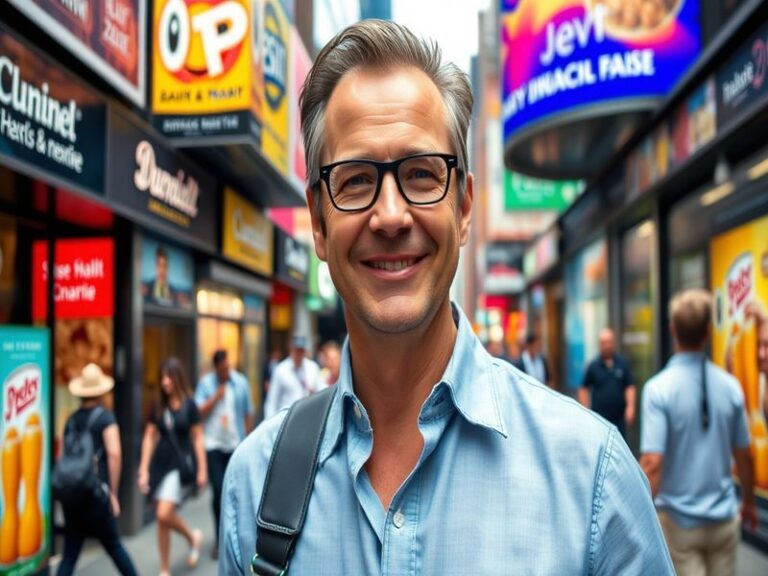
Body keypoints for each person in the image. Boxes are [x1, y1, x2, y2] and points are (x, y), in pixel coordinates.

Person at [220, 19, 672, 574]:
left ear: (462, 208)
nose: (390, 216)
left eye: (421, 174)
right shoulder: (254, 485)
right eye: (357, 179)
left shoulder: (593, 479)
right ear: (317, 219)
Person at [640, 289, 757, 576]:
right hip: (723, 521)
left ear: (672, 330)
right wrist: (750, 504)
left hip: (678, 525)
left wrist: (639, 516)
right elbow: (745, 455)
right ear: (708, 332)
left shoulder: (658, 389)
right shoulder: (730, 386)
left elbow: (653, 463)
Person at [56, 364, 138, 576]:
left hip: (73, 496)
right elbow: (115, 454)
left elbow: (63, 455)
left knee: (69, 555)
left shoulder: (71, 420)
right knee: (114, 546)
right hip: (96, 495)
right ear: (101, 391)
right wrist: (113, 493)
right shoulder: (105, 418)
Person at [138, 358, 207, 576]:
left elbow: (197, 437)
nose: (165, 382)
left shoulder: (190, 405)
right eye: (162, 378)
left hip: (178, 466)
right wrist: (143, 468)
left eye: (168, 377)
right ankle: (165, 568)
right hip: (160, 464)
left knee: (162, 514)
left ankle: (191, 536)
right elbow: (149, 437)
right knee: (162, 521)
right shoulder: (158, 405)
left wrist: (203, 470)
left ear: (178, 378)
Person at [194, 350, 254, 560]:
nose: (226, 372)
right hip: (213, 445)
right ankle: (220, 539)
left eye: (228, 368)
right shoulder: (206, 384)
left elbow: (248, 412)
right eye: (222, 370)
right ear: (216, 369)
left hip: (235, 444)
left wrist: (248, 441)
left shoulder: (240, 382)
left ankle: (237, 533)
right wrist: (215, 398)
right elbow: (198, 412)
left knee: (237, 490)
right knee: (218, 489)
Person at [578, 328, 635, 438]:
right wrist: (585, 411)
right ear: (599, 344)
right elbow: (583, 388)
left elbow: (629, 386)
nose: (607, 345)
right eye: (604, 343)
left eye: (609, 342)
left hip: (619, 419)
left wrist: (631, 407)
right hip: (599, 419)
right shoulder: (593, 366)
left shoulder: (622, 363)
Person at [262, 335, 321, 418]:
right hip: (287, 419)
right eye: (296, 350)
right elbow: (272, 400)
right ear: (291, 350)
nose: (299, 354)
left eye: (301, 350)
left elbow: (322, 391)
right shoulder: (281, 370)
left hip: (308, 418)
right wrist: (269, 423)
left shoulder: (312, 368)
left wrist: (315, 393)